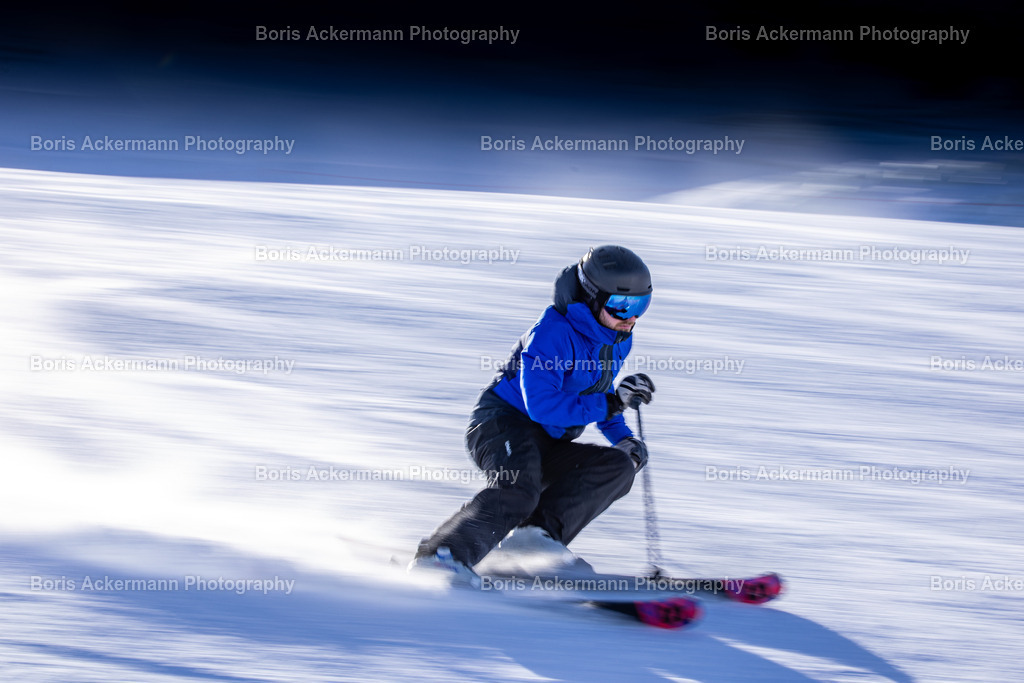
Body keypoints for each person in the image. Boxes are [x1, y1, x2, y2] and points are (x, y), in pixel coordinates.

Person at [410, 245, 656, 586]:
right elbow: (542, 405)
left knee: (617, 466)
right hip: (503, 423)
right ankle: (441, 555)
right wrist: (614, 403)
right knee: (518, 488)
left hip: (550, 438)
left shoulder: (615, 338)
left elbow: (598, 394)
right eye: (621, 305)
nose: (631, 317)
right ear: (593, 297)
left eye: (641, 306)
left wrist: (624, 439)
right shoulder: (552, 334)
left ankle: (533, 540)